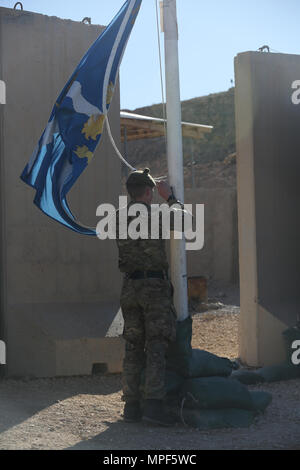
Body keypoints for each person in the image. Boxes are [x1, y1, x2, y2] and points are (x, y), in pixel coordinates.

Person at [116, 168, 185, 426]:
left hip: (129, 288)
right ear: (148, 192)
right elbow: (184, 221)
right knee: (156, 344)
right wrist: (169, 197)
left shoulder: (117, 218)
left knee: (133, 345)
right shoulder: (155, 214)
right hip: (153, 287)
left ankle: (131, 406)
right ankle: (154, 406)